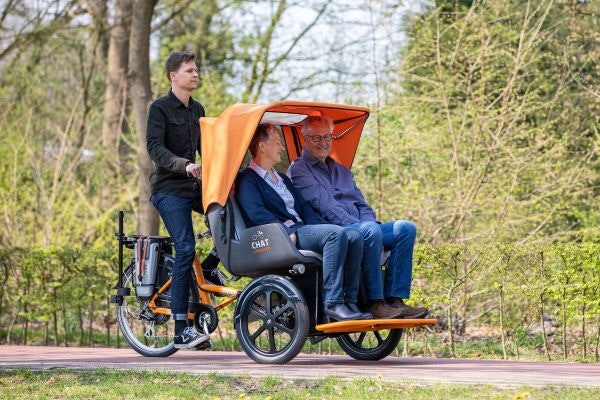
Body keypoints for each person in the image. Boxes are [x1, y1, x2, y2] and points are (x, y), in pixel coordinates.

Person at [288, 116, 428, 319]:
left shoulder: (341, 171)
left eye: (327, 137)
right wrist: (366, 228)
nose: (323, 143)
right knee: (370, 230)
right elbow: (326, 207)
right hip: (332, 230)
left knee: (405, 228)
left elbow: (362, 204)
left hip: (362, 227)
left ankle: (394, 300)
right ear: (305, 140)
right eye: (317, 138)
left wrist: (371, 225)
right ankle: (375, 303)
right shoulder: (299, 170)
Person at [235, 123, 371, 321]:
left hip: (302, 230)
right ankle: (333, 303)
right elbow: (256, 213)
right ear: (262, 147)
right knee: (335, 235)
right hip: (281, 236)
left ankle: (350, 301)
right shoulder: (248, 180)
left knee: (353, 235)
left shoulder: (282, 178)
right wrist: (284, 231)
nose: (281, 147)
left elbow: (304, 208)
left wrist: (323, 226)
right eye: (277, 142)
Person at [146, 51, 221, 349]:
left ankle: (210, 266)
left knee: (229, 212)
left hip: (192, 186)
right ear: (173, 76)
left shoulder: (198, 109)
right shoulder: (159, 108)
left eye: (196, 70)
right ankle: (180, 328)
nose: (195, 74)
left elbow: (208, 150)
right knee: (185, 247)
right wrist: (185, 165)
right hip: (167, 188)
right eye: (189, 70)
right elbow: (155, 149)